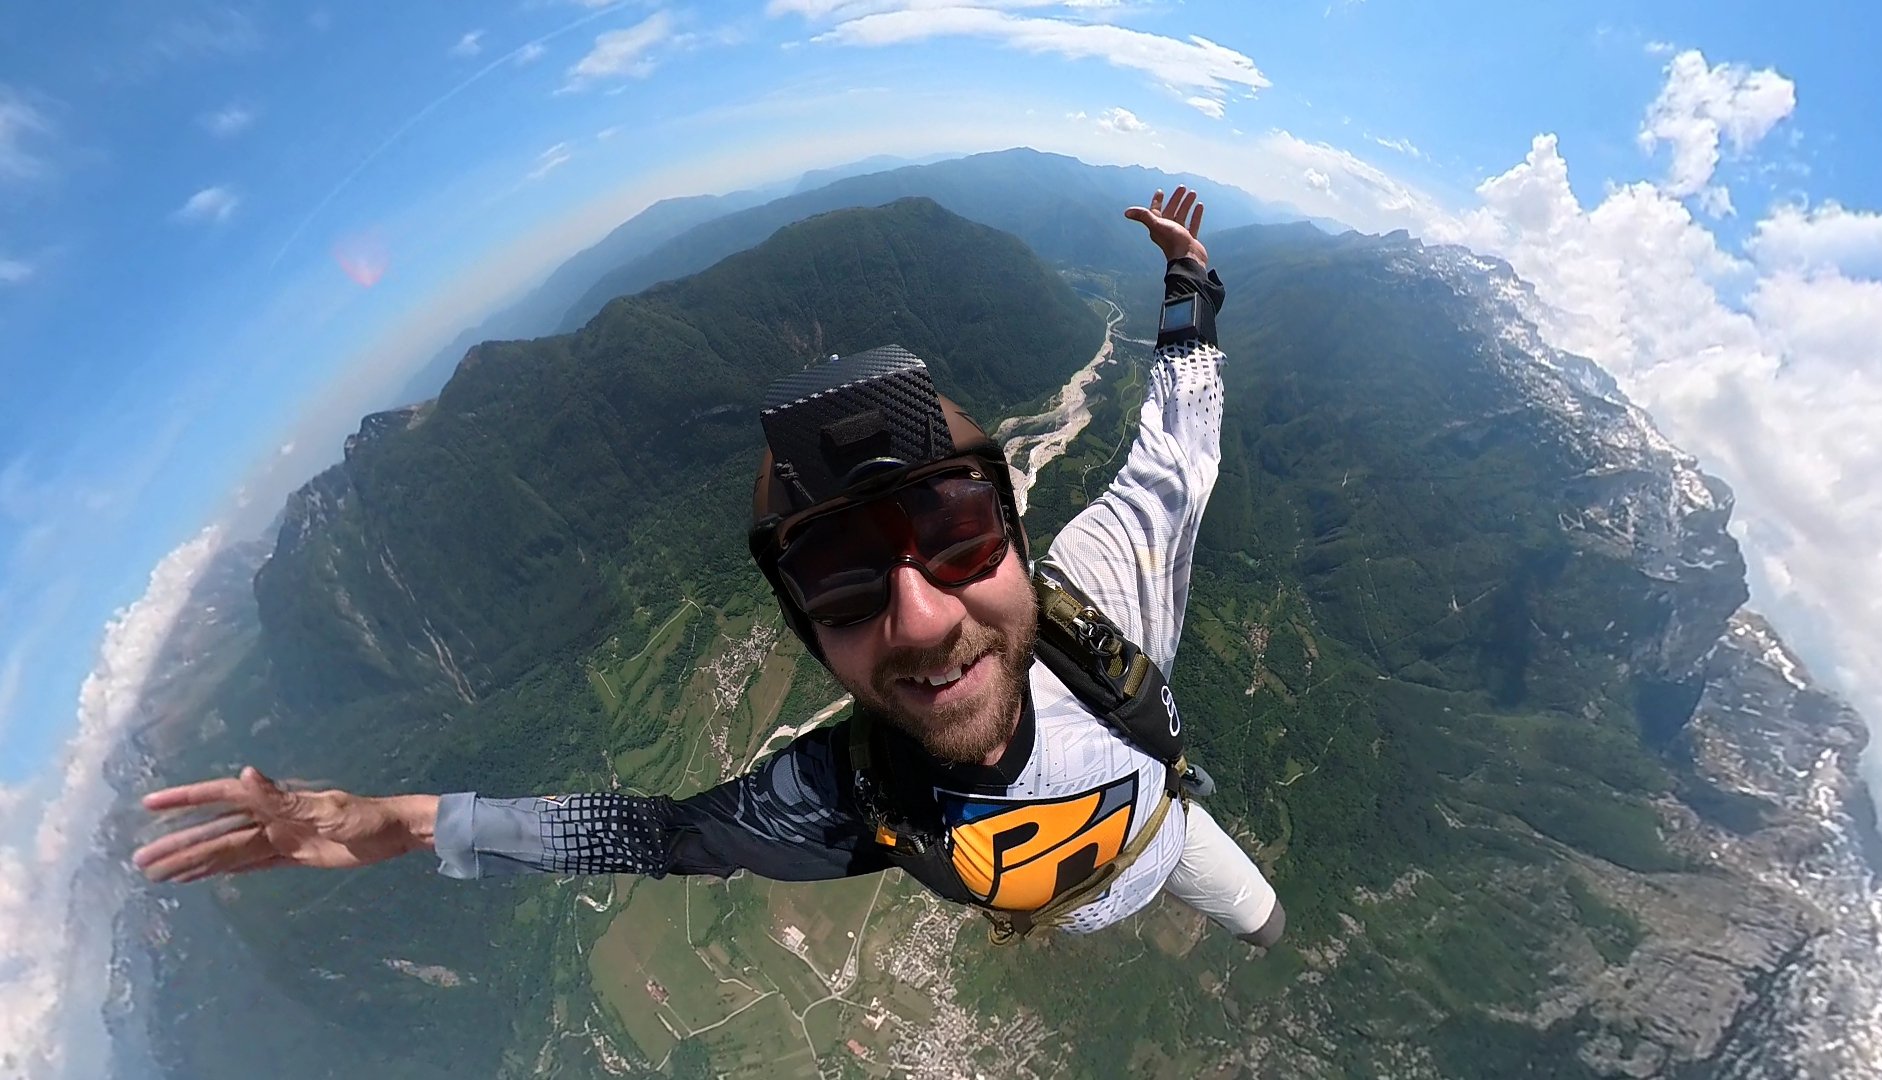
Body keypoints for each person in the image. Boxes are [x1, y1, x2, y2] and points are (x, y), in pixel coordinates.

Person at [134, 186, 1285, 948]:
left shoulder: (1090, 618)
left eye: (953, 531)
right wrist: (401, 827)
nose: (923, 612)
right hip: (1123, 863)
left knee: (1260, 918)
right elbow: (655, 833)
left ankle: (1263, 928)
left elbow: (1175, 452)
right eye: (841, 577)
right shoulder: (854, 797)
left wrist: (1192, 289)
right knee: (1253, 914)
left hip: (1168, 842)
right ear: (812, 635)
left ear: (1021, 541)